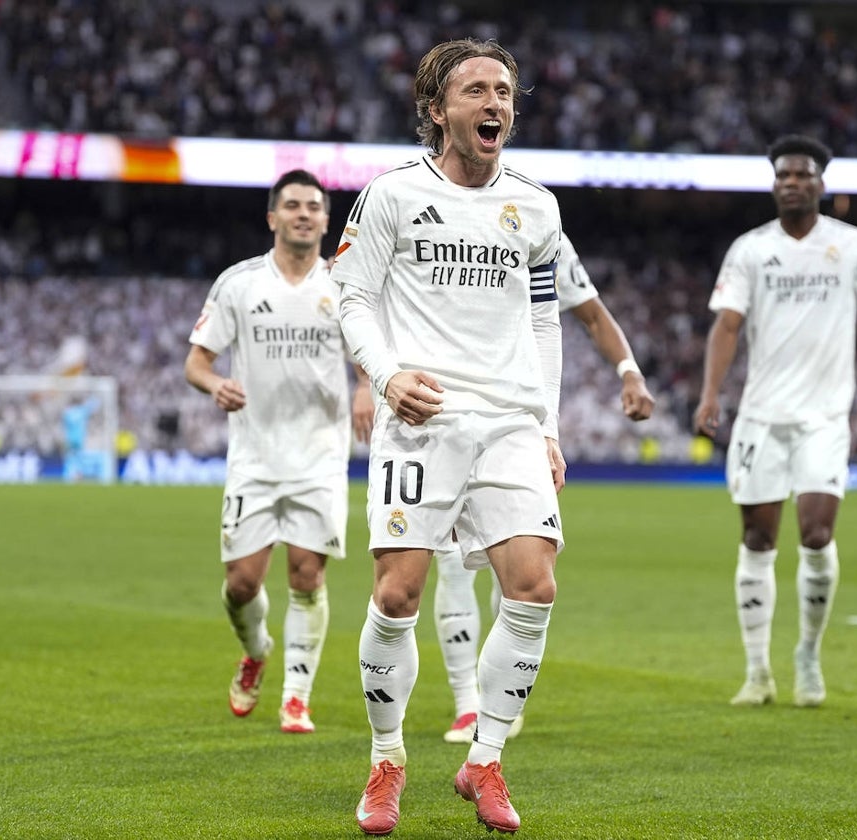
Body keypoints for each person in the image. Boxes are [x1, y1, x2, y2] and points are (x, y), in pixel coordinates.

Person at [331, 39, 564, 836]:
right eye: (475, 91)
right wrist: (388, 374)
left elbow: (542, 318)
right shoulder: (392, 195)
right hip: (421, 417)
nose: (494, 103)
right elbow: (351, 297)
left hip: (508, 420)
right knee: (397, 594)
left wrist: (548, 425)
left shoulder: (536, 205)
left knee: (534, 586)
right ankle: (387, 759)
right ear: (437, 110)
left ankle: (486, 758)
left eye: (503, 91)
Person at [693, 134, 857, 710]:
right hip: (760, 416)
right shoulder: (751, 249)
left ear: (821, 185)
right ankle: (758, 670)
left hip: (825, 417)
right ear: (774, 183)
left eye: (803, 175)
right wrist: (712, 393)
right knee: (757, 538)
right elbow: (727, 326)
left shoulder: (854, 246)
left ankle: (807, 651)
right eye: (783, 175)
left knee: (817, 532)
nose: (792, 182)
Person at [434, 230, 655, 744]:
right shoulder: (436, 216)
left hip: (517, 420)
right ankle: (467, 704)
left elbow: (592, 312)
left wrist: (629, 370)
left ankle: (496, 702)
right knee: (450, 564)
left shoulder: (535, 226)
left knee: (516, 567)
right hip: (446, 414)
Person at [185, 169, 372, 736]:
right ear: (273, 217)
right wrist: (215, 385)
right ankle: (257, 648)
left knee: (307, 576)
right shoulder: (239, 284)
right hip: (255, 458)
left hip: (320, 454)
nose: (303, 214)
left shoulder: (344, 285)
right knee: (241, 583)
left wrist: (365, 385)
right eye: (292, 205)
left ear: (325, 219)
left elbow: (366, 352)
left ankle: (296, 696)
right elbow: (197, 361)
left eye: (314, 206)